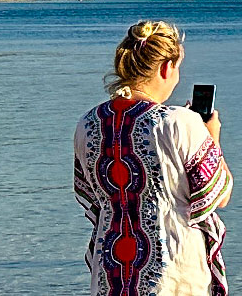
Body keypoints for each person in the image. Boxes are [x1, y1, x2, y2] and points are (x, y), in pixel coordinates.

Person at [74, 20, 233, 296]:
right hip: (173, 275)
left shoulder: (88, 123)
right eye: (178, 68)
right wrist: (212, 137)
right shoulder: (180, 122)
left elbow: (90, 196)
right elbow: (219, 195)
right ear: (166, 67)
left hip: (111, 272)